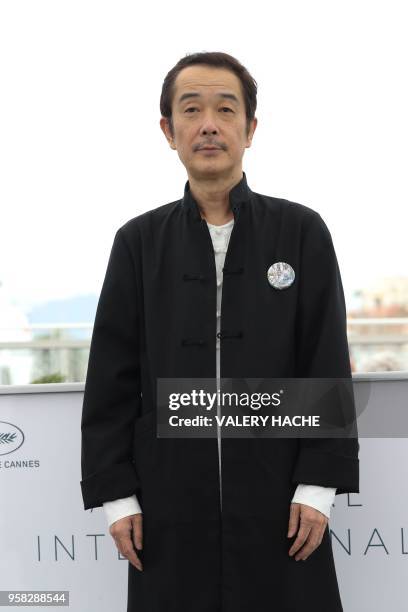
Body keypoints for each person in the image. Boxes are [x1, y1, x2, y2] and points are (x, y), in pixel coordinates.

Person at [80, 51, 359, 612]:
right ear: (169, 130)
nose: (209, 124)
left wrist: (317, 487)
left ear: (249, 129)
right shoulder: (137, 243)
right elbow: (111, 379)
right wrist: (116, 496)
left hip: (281, 496)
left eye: (225, 109)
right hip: (167, 501)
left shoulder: (301, 231)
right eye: (191, 109)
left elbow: (324, 360)